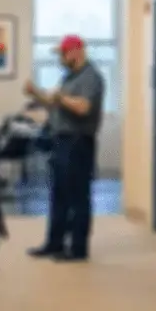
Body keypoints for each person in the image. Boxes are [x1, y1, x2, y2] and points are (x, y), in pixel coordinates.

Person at [24, 34, 105, 262]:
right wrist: (36, 93)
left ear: (76, 51)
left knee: (78, 197)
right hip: (60, 140)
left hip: (78, 141)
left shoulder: (91, 77)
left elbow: (83, 107)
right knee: (58, 194)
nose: (60, 58)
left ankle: (78, 248)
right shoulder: (69, 77)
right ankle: (54, 243)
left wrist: (61, 97)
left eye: (62, 53)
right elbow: (54, 101)